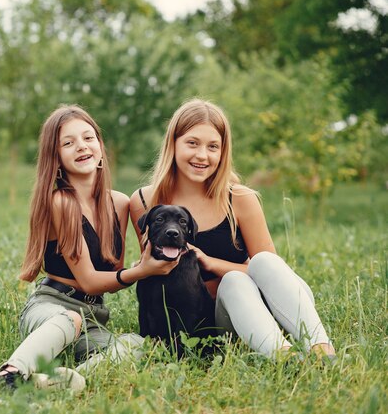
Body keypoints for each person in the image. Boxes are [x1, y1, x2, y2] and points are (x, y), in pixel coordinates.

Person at [0, 105, 178, 390]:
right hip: (52, 309)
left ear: (100, 146)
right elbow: (89, 280)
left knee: (136, 345)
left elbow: (111, 277)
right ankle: (8, 375)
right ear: (57, 157)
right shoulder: (60, 202)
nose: (81, 146)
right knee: (68, 319)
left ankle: (58, 380)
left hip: (92, 318)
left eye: (88, 138)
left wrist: (149, 263)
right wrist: (140, 271)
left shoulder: (120, 203)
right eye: (68, 142)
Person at [129, 98, 337, 360]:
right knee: (234, 282)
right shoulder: (146, 201)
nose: (202, 155)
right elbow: (155, 275)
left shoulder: (239, 197)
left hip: (271, 305)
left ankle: (321, 349)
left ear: (223, 152)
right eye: (192, 143)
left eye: (213, 146)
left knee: (257, 265)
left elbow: (270, 274)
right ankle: (284, 358)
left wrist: (209, 262)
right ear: (173, 144)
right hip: (216, 320)